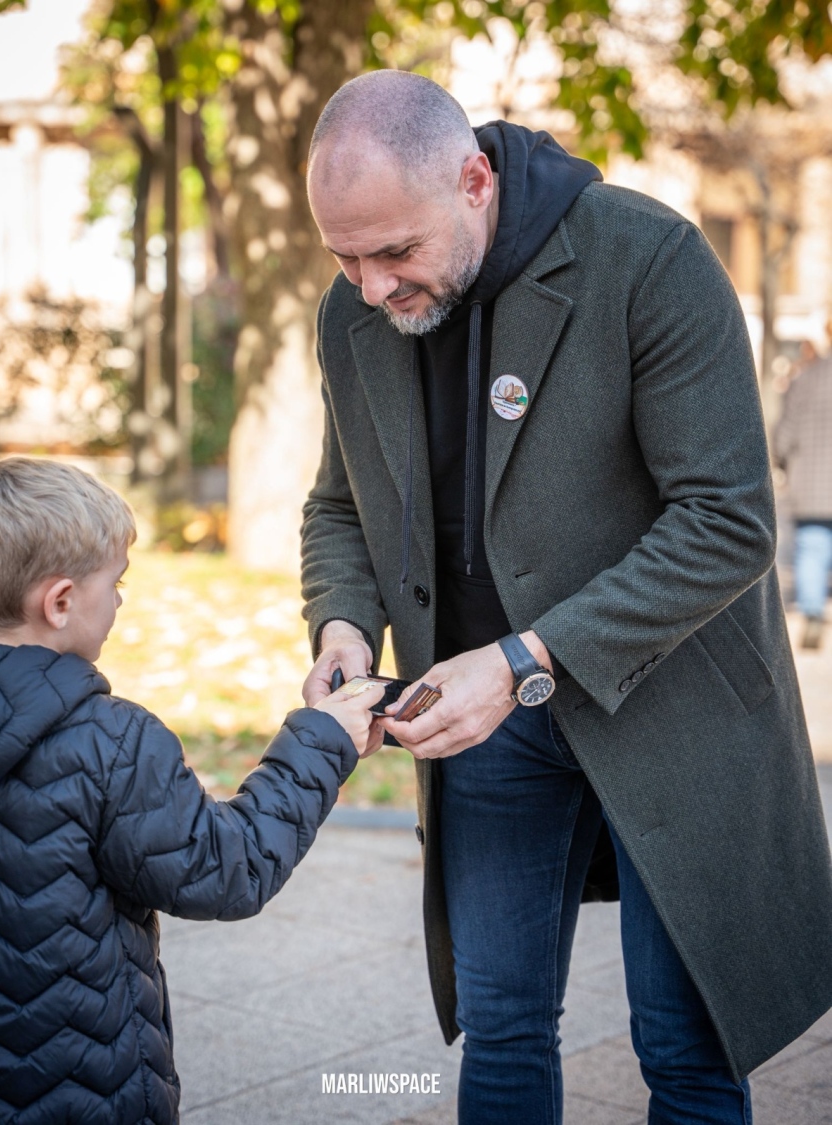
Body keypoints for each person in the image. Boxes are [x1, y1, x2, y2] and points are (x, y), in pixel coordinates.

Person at [299, 70, 832, 1125]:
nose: (370, 288)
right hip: (479, 721)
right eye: (344, 258)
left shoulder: (649, 258)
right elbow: (337, 507)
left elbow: (728, 521)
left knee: (683, 1050)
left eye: (394, 252)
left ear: (475, 180)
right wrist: (344, 627)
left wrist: (524, 660)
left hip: (669, 704)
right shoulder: (351, 312)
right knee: (500, 1032)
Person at [0, 456, 383, 1125]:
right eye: (115, 582)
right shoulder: (113, 741)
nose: (120, 598)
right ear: (60, 602)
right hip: (84, 1090)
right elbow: (226, 870)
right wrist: (321, 740)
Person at [773, 343, 832, 649]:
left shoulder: (805, 379)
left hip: (811, 482)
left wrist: (784, 462)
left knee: (812, 547)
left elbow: (784, 435)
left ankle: (811, 614)